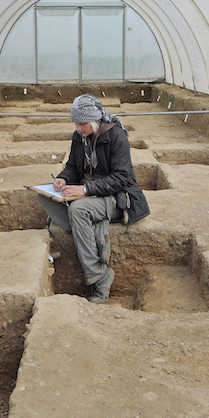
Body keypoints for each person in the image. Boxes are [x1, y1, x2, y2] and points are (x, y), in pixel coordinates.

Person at [39, 94, 150, 303]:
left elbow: (122, 178)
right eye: (76, 123)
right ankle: (85, 229)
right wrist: (63, 179)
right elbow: (72, 166)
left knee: (79, 209)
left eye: (82, 124)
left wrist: (86, 189)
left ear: (94, 120)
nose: (79, 128)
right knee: (43, 196)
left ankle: (99, 276)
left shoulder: (116, 136)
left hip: (117, 198)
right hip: (89, 195)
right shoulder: (79, 137)